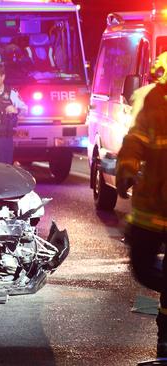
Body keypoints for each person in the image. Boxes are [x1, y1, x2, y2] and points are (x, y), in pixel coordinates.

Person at [117, 52, 167, 360]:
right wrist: (127, 166)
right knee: (142, 269)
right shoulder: (155, 101)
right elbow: (135, 138)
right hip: (153, 208)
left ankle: (165, 343)